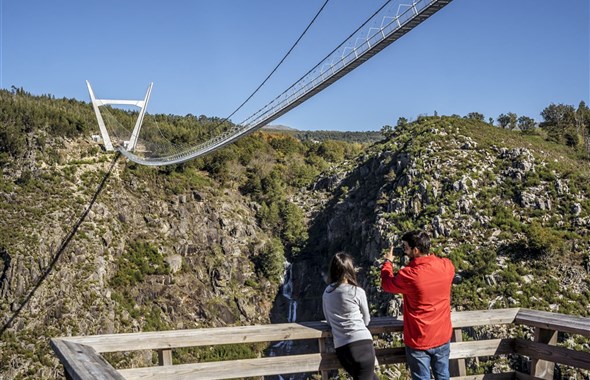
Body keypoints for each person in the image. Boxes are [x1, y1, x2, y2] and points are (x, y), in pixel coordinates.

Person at [381, 230, 455, 380]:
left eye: (406, 248)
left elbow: (386, 284)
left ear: (415, 250)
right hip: (442, 336)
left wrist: (388, 263)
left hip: (419, 339)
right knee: (443, 376)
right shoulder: (446, 266)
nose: (404, 251)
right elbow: (440, 266)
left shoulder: (409, 275)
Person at [322, 252, 378, 380]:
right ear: (350, 269)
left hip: (342, 348)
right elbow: (366, 319)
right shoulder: (357, 291)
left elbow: (329, 320)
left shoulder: (327, 292)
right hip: (363, 344)